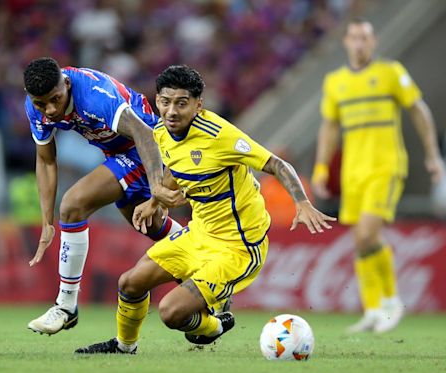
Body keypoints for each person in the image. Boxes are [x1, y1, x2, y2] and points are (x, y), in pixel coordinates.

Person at [74, 64, 335, 354]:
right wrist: (155, 201)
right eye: (165, 102)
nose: (171, 111)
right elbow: (175, 167)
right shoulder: (160, 131)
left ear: (199, 105)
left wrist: (302, 202)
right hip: (198, 234)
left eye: (181, 103)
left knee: (171, 313)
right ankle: (125, 347)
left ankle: (215, 325)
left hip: (238, 247)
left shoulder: (219, 135)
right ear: (157, 100)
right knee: (130, 283)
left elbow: (277, 163)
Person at [23, 57, 186, 335]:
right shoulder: (36, 106)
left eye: (55, 99)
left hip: (147, 147)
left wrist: (157, 187)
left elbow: (144, 134)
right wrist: (46, 221)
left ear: (66, 83)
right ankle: (206, 273)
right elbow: (46, 161)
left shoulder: (96, 96)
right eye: (41, 103)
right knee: (149, 224)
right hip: (119, 153)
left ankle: (65, 305)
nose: (49, 110)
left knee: (73, 204)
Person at [311, 19, 444, 334]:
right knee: (361, 241)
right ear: (345, 42)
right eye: (355, 37)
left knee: (366, 235)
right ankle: (373, 309)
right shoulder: (335, 81)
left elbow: (418, 110)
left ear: (374, 42)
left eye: (366, 38)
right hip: (353, 173)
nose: (360, 43)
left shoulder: (390, 72)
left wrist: (432, 154)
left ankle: (391, 302)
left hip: (386, 167)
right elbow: (329, 127)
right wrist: (320, 167)